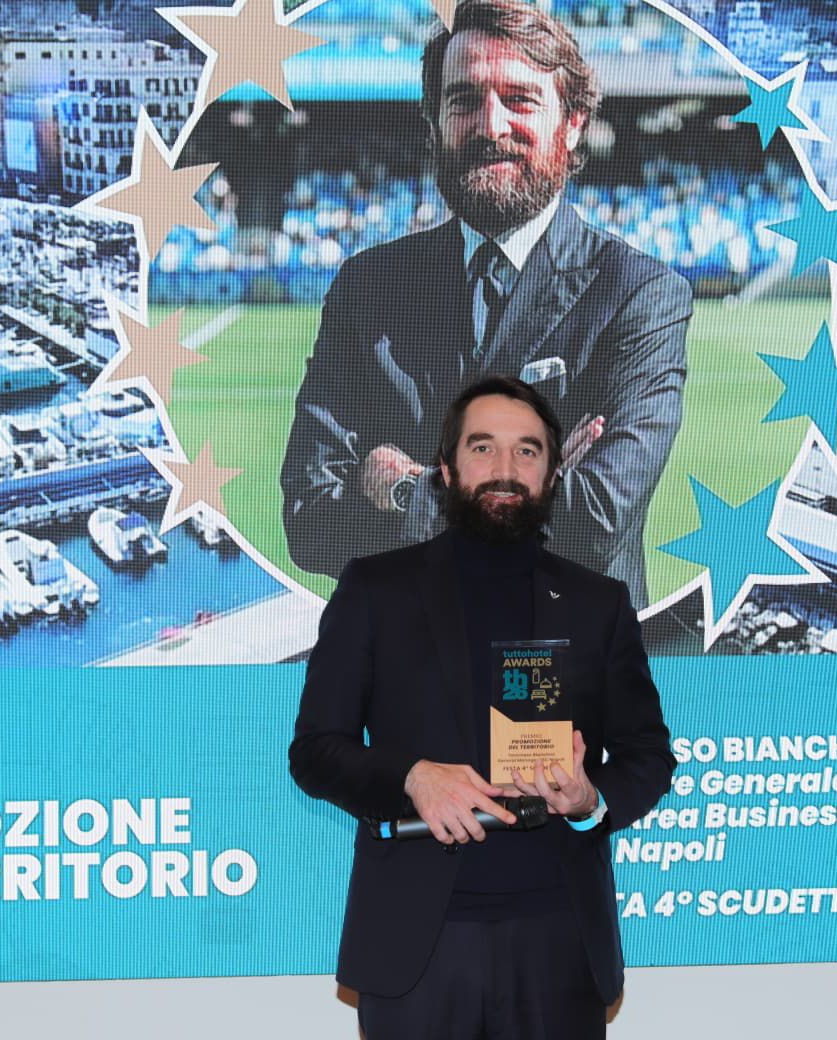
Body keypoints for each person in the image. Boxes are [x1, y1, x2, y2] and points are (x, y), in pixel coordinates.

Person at [290, 376, 675, 1038]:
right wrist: (412, 777)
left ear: (552, 473)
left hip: (559, 943)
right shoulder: (375, 590)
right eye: (482, 447)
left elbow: (647, 756)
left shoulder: (598, 603)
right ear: (446, 469)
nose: (505, 468)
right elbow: (316, 751)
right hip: (417, 945)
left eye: (527, 451)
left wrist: (590, 799)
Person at [280, 0, 693, 610]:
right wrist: (534, 488)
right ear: (434, 124)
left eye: (520, 99)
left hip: (562, 653)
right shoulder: (367, 286)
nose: (491, 124)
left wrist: (405, 491)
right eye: (464, 100)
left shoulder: (639, 295)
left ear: (572, 123)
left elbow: (594, 523)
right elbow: (310, 521)